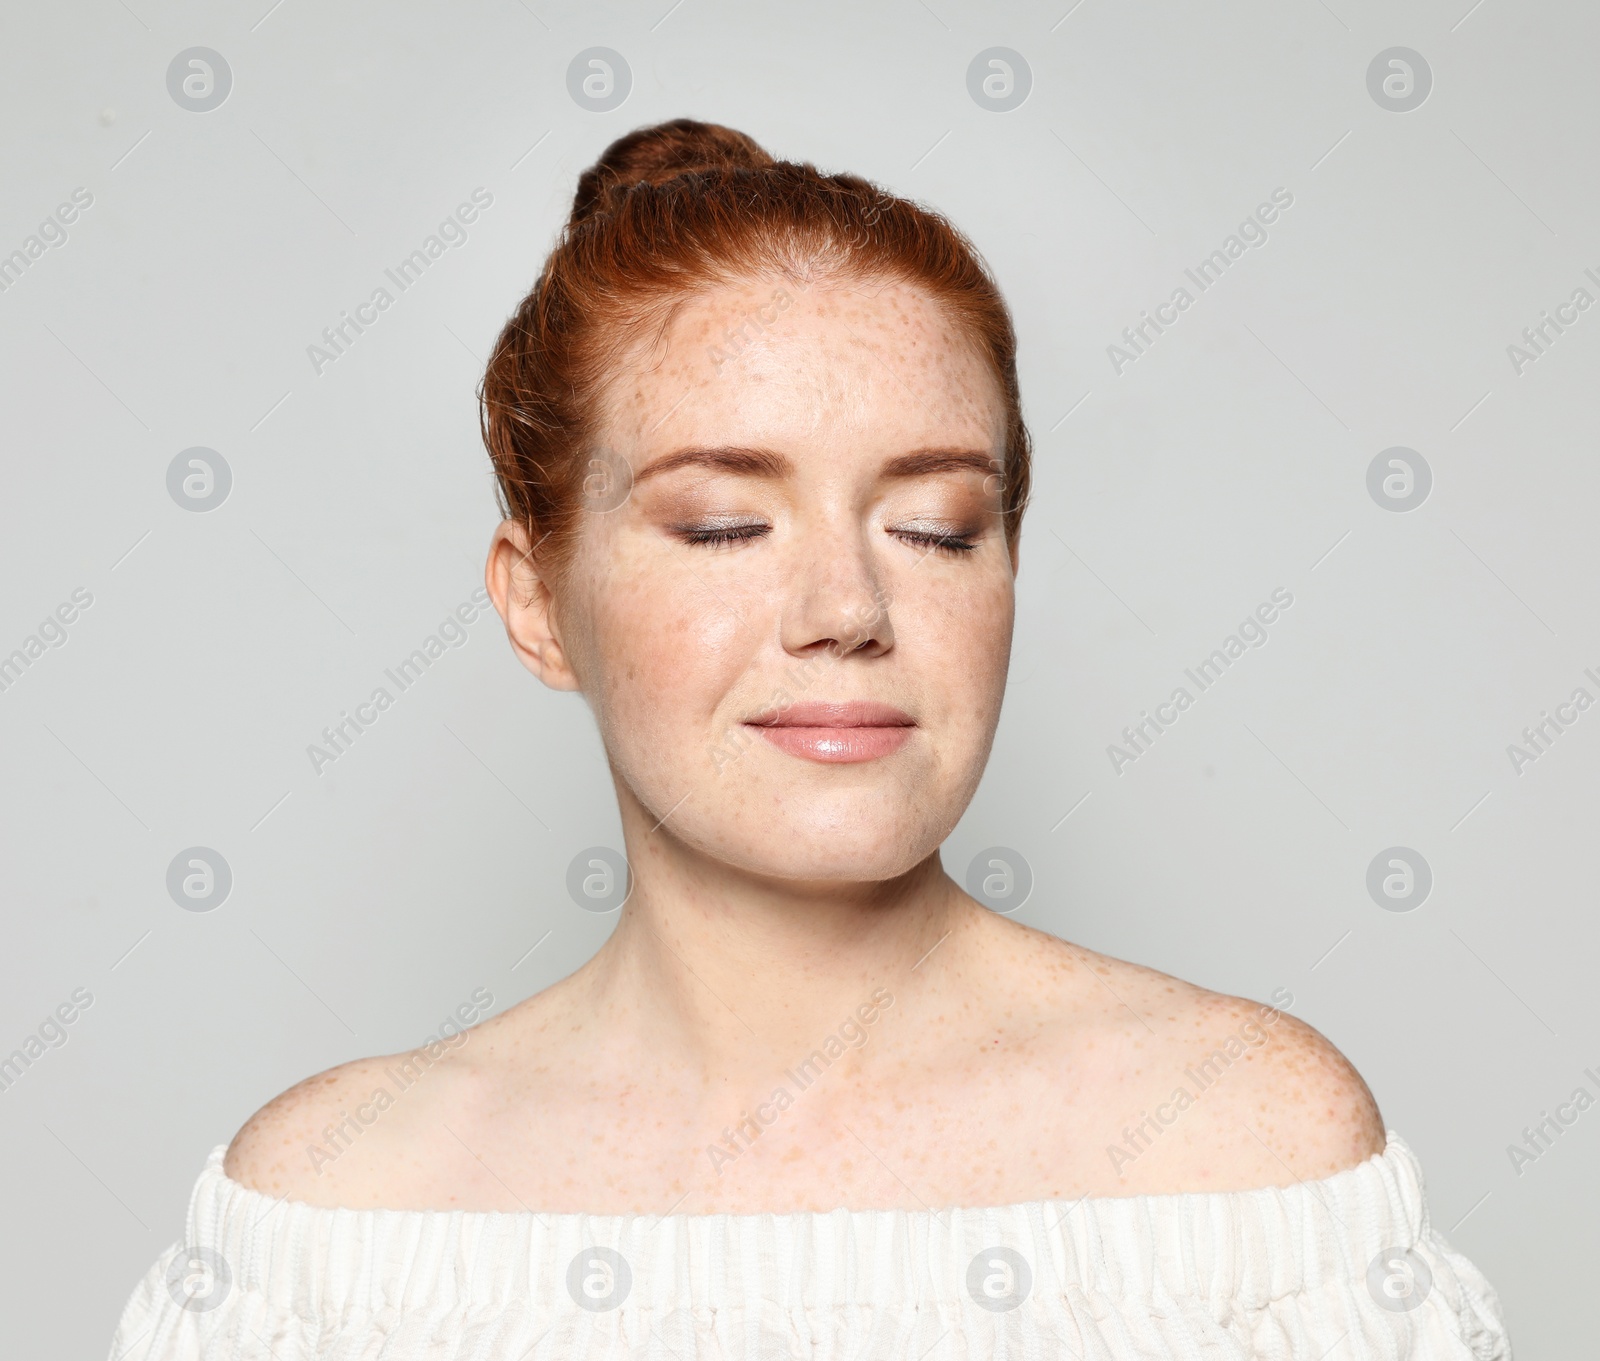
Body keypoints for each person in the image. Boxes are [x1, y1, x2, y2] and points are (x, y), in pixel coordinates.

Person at [107, 118, 1512, 1360]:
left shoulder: (1248, 1163)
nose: (847, 609)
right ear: (537, 601)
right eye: (724, 522)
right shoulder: (327, 1237)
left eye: (935, 527)